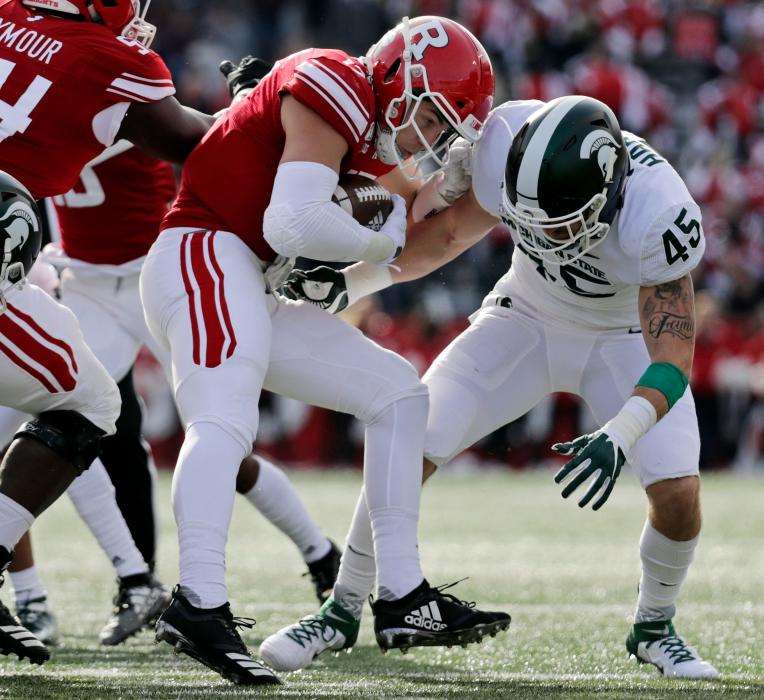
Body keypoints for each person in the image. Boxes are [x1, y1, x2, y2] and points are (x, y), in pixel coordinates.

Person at [268, 96, 720, 680]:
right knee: (413, 440)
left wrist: (624, 428)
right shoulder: (504, 138)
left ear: (607, 194)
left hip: (623, 336)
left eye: (560, 223)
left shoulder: (658, 212)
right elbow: (451, 234)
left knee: (679, 490)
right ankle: (341, 608)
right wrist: (355, 286)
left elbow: (674, 355)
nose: (546, 236)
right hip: (525, 315)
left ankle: (655, 626)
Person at [140, 15, 508, 686]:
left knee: (398, 392)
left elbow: (363, 225)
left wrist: (415, 207)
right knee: (223, 420)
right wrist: (383, 241)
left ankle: (400, 596)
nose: (427, 139)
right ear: (401, 77)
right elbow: (295, 220)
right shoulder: (336, 76)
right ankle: (198, 601)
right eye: (430, 118)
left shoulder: (366, 139)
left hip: (246, 275)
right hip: (203, 248)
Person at [0, 0, 215, 664]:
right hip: (96, 274)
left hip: (73, 272)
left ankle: (107, 579)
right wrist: (270, 107)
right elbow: (191, 139)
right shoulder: (111, 59)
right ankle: (112, 578)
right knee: (89, 403)